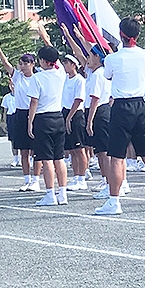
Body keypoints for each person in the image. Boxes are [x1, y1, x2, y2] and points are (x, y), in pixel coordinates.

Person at [95, 18, 145, 215]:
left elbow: (107, 76)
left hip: (121, 107)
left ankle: (114, 201)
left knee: (117, 157)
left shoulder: (112, 58)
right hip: (140, 106)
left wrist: (111, 55)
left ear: (120, 34)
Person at [0, 35, 41, 191]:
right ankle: (26, 179)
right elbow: (5, 63)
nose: (22, 65)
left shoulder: (38, 78)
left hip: (34, 114)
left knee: (36, 150)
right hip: (20, 114)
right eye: (21, 63)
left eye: (25, 63)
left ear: (32, 64)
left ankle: (36, 179)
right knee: (23, 149)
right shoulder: (17, 77)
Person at [27, 46, 67, 206]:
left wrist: (30, 122)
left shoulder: (37, 78)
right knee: (59, 157)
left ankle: (50, 194)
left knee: (47, 159)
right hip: (58, 116)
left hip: (43, 118)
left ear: (43, 61)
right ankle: (62, 193)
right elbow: (56, 61)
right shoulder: (61, 74)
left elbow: (34, 102)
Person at [61, 54, 88, 191]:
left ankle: (82, 178)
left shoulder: (79, 80)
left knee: (79, 148)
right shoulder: (66, 79)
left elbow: (78, 100)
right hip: (65, 112)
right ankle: (76, 176)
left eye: (67, 62)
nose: (65, 65)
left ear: (73, 65)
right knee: (72, 150)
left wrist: (69, 117)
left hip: (76, 114)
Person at [1, 78, 19, 167]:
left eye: (14, 85)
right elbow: (5, 110)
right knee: (13, 140)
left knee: (24, 139)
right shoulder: (6, 97)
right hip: (11, 117)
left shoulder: (21, 95)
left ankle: (29, 159)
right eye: (11, 85)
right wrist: (4, 122)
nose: (12, 87)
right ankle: (15, 159)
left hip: (19, 117)